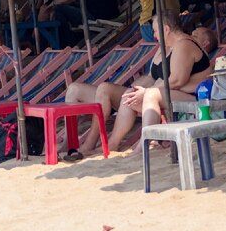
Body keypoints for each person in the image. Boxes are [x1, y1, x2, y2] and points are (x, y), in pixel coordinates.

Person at [62, 14, 213, 161]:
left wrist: (146, 92)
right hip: (166, 94)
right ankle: (111, 144)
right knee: (130, 94)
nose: (154, 35)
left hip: (194, 99)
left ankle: (142, 146)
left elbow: (176, 81)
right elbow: (151, 77)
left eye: (155, 31)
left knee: (150, 95)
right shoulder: (166, 47)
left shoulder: (184, 45)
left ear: (166, 29)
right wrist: (135, 90)